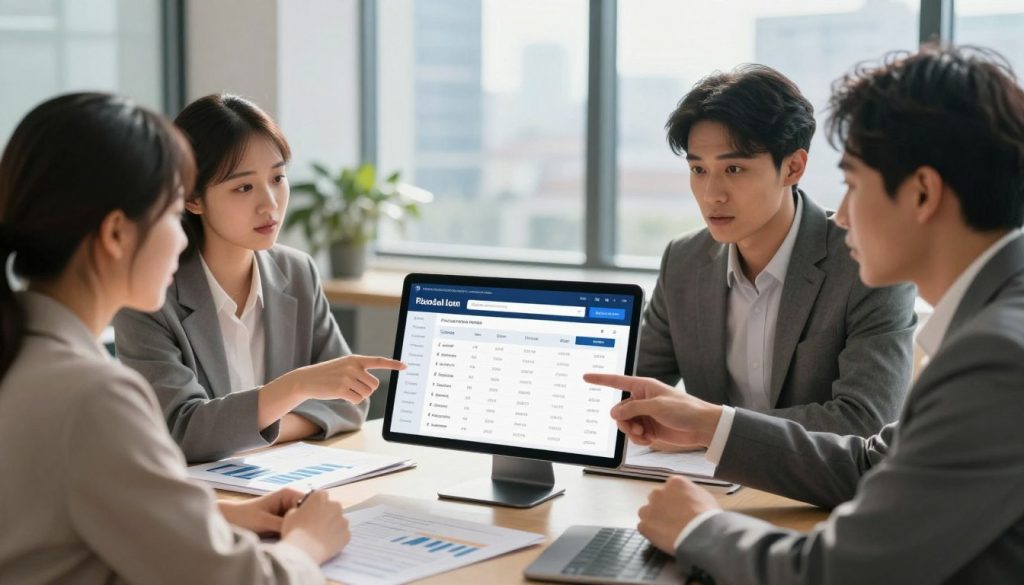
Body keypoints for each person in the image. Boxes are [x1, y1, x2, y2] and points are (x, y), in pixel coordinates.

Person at [586, 45, 1024, 584]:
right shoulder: (994, 324)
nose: (840, 212)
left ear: (923, 192)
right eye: (698, 169)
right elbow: (868, 462)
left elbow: (844, 571)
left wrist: (700, 530)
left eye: (854, 183)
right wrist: (707, 423)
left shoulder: (998, 354)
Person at [0, 92, 348, 583]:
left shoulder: (25, 357)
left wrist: (218, 514)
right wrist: (309, 543)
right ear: (116, 234)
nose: (183, 237)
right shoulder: (93, 397)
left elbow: (75, 509)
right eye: (170, 214)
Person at [114, 94, 404, 463]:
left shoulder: (296, 272)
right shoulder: (148, 295)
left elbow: (349, 404)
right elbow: (180, 432)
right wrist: (295, 388)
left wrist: (262, 430)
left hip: (280, 485)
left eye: (278, 178)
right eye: (243, 187)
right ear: (193, 199)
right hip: (199, 504)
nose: (270, 204)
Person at [638, 64, 917, 440]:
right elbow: (633, 387)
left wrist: (712, 429)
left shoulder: (868, 265)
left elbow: (865, 420)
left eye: (734, 169)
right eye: (699, 170)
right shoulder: (684, 261)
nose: (712, 195)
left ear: (793, 167)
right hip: (706, 484)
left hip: (818, 495)